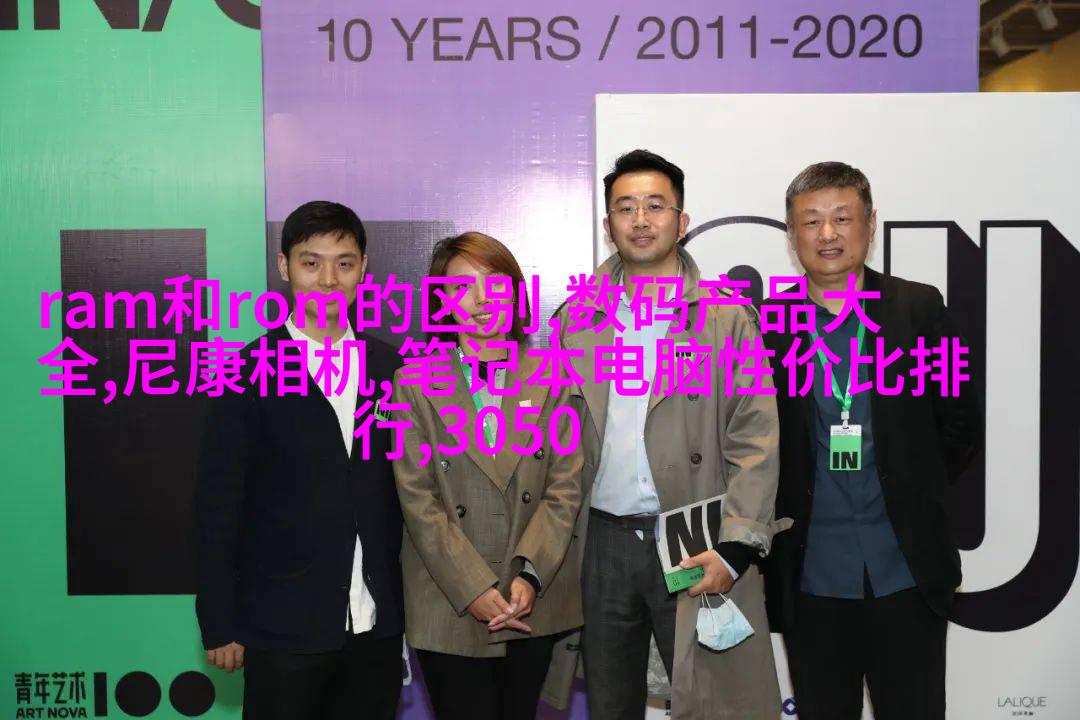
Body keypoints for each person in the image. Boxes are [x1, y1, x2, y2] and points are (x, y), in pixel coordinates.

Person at [552, 149, 785, 719]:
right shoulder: (574, 320)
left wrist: (736, 544)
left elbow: (754, 438)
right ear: (608, 226)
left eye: (655, 206)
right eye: (626, 208)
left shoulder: (726, 318)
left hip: (693, 538)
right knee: (609, 701)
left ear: (681, 222)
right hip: (602, 541)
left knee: (710, 703)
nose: (640, 219)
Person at [761, 162, 982, 720]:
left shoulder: (918, 308)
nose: (827, 234)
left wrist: (913, 482)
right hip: (811, 575)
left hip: (905, 569)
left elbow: (960, 422)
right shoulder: (767, 324)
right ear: (791, 233)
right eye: (811, 221)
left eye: (842, 218)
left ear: (870, 223)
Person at [195, 201, 404, 719]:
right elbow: (217, 508)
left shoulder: (392, 367)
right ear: (284, 267)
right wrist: (220, 621)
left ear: (363, 269)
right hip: (281, 628)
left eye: (344, 263)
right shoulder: (245, 372)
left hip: (375, 628)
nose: (328, 280)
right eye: (311, 263)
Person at [391, 232, 585, 720]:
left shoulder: (554, 377)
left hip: (530, 596)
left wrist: (530, 575)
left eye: (495, 284)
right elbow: (417, 499)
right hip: (449, 598)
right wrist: (473, 587)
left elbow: (565, 487)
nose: (481, 301)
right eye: (462, 287)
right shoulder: (413, 383)